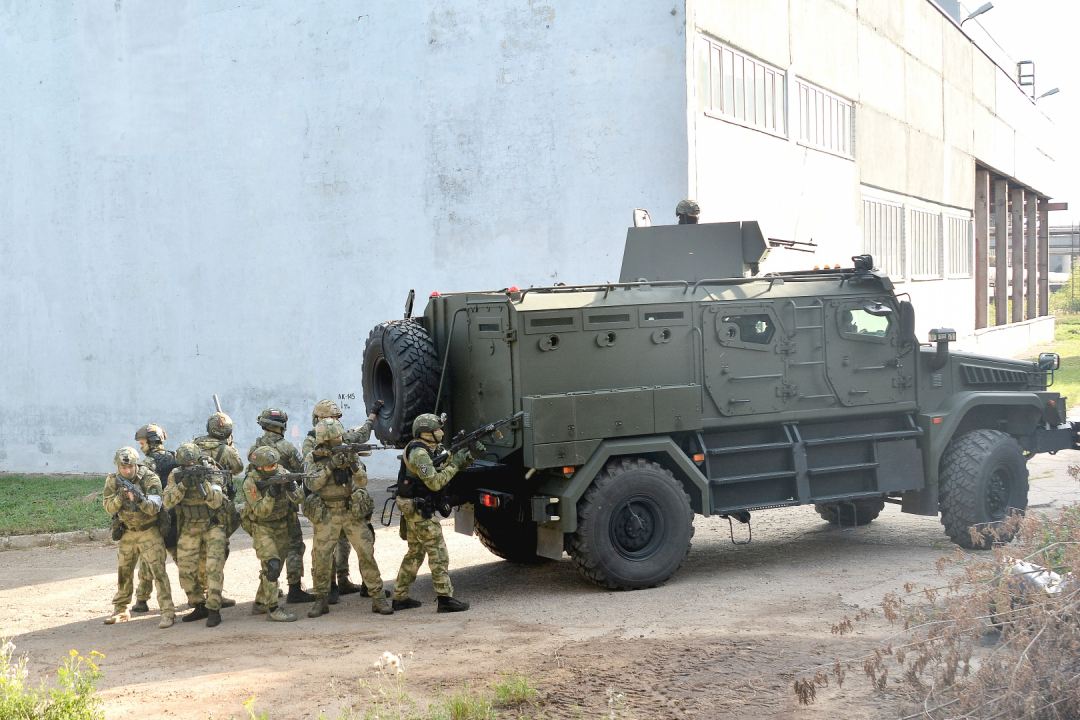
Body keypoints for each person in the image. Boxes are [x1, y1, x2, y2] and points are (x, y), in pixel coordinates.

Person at [303, 418, 393, 618]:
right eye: (335, 435)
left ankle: (378, 598)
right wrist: (329, 467)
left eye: (339, 434)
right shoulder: (313, 456)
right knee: (321, 558)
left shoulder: (349, 451)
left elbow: (362, 481)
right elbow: (312, 485)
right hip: (327, 512)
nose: (339, 438)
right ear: (325, 438)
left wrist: (352, 463)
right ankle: (321, 601)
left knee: (366, 553)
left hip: (350, 510)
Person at [392, 413, 479, 613]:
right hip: (419, 511)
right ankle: (445, 599)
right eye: (437, 429)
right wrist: (456, 463)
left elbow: (445, 465)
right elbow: (435, 482)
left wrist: (467, 456)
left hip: (417, 509)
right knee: (438, 554)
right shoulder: (419, 453)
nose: (441, 432)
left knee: (415, 553)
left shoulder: (432, 449)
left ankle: (400, 597)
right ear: (426, 433)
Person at [246, 408, 315, 604]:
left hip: (263, 508)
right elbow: (301, 470)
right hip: (286, 504)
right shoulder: (287, 448)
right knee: (294, 545)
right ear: (282, 426)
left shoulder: (254, 448)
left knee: (270, 553)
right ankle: (294, 589)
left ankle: (269, 590)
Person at [102, 446, 175, 628]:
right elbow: (109, 507)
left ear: (136, 464)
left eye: (130, 467)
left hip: (149, 531)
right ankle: (121, 610)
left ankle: (167, 611)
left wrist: (139, 499)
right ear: (118, 466)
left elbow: (154, 508)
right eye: (123, 468)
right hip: (128, 532)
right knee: (124, 571)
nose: (127, 471)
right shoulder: (113, 480)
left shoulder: (150, 478)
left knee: (158, 572)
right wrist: (120, 497)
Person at [163, 443, 229, 627]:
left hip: (213, 523)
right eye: (187, 465)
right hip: (190, 525)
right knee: (185, 566)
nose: (191, 466)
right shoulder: (176, 474)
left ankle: (214, 608)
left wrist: (203, 482)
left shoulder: (211, 470)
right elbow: (167, 502)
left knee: (213, 567)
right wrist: (183, 485)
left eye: (193, 463)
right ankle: (199, 605)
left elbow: (216, 502)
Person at [241, 446, 301, 622]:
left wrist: (291, 488)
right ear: (258, 467)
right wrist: (270, 494)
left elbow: (300, 499)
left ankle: (260, 603)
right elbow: (261, 511)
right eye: (269, 466)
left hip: (282, 525)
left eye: (275, 464)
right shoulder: (250, 482)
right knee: (272, 565)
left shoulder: (283, 472)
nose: (274, 468)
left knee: (275, 566)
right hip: (262, 526)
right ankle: (273, 609)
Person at [193, 412, 244, 608]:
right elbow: (237, 468)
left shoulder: (195, 445)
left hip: (196, 506)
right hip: (218, 505)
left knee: (198, 551)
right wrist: (232, 449)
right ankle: (215, 594)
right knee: (218, 550)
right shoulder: (226, 450)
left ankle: (199, 592)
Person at [131, 423, 178, 614]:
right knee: (181, 558)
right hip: (175, 515)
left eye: (142, 443)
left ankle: (142, 600)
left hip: (156, 517)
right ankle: (196, 596)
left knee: (148, 560)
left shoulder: (146, 465)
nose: (140, 447)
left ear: (151, 443)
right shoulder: (175, 458)